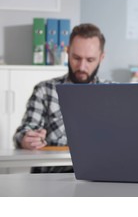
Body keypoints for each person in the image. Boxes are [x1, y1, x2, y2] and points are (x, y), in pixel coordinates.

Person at [13, 23, 110, 173]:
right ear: (68, 51)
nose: (82, 67)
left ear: (101, 57)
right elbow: (23, 132)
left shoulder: (112, 92)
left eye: (90, 60)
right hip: (51, 177)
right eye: (76, 58)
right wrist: (27, 138)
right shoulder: (45, 90)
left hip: (99, 175)